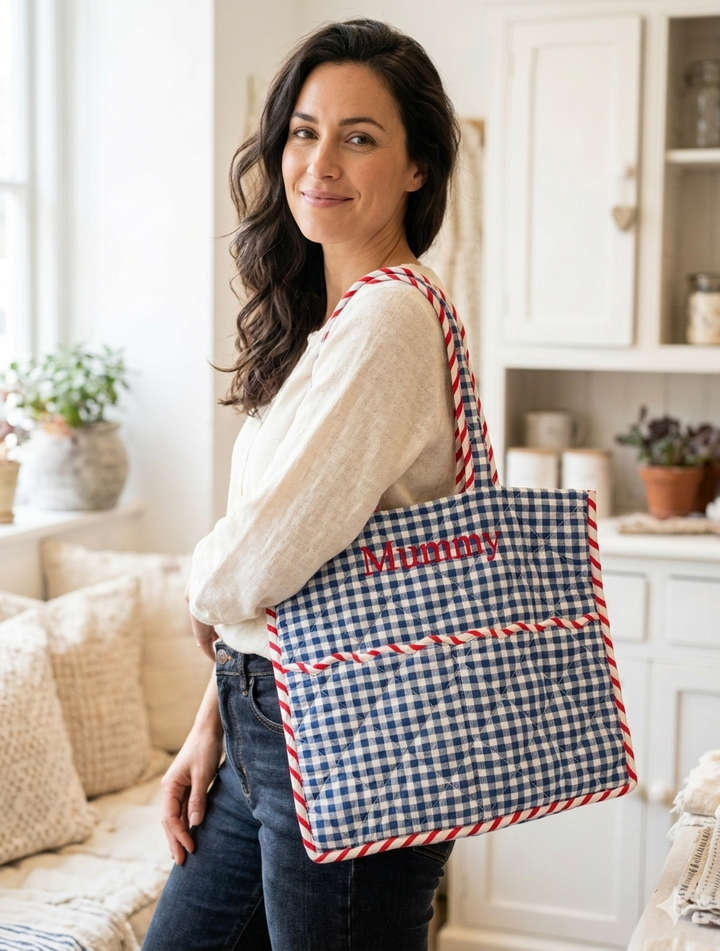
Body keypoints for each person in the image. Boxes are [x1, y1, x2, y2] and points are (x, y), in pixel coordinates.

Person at [142, 18, 461, 951]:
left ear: (416, 167)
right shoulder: (331, 326)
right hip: (267, 723)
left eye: (360, 136)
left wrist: (201, 586)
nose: (320, 160)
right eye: (304, 130)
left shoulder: (393, 319)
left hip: (355, 736)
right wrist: (216, 720)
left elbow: (265, 548)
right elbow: (288, 556)